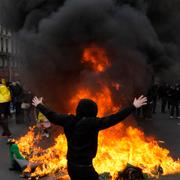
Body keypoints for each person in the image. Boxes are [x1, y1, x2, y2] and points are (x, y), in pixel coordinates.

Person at [32, 95, 147, 180]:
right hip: (85, 169)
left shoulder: (68, 120)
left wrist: (39, 105)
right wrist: (133, 106)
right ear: (93, 112)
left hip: (71, 166)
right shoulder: (92, 123)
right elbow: (113, 119)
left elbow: (52, 115)